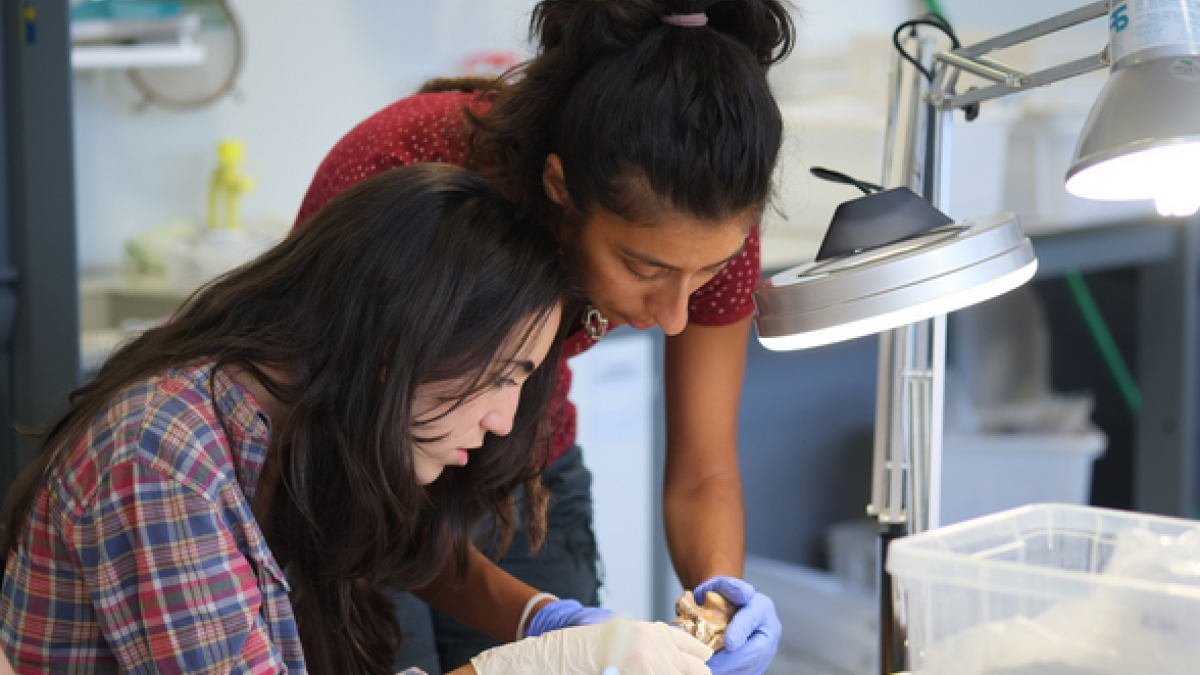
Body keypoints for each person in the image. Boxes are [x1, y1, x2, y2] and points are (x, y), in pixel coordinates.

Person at [0, 164, 712, 674]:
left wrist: (545, 622)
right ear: (396, 348)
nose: (501, 420)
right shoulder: (161, 457)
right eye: (499, 377)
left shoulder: (302, 436)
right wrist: (536, 664)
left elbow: (417, 551)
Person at [296, 1, 795, 674]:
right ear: (559, 189)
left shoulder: (706, 216)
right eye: (644, 268)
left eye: (705, 272)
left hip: (520, 470)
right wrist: (543, 631)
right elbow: (348, 484)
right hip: (358, 478)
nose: (675, 313)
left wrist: (720, 596)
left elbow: (704, 468)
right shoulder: (408, 183)